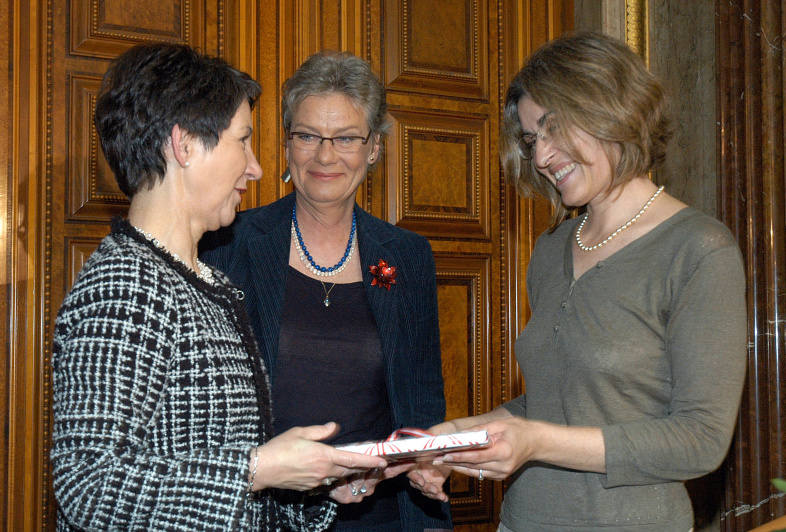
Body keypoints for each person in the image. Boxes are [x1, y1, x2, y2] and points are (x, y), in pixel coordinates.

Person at [413, 32, 748, 531]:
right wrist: (458, 435)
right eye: (532, 140)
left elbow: (700, 440)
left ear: (612, 109)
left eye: (553, 128)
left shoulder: (699, 249)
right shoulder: (551, 249)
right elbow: (556, 405)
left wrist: (535, 441)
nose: (541, 157)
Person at [50, 43, 389, 531]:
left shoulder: (208, 283)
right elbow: (88, 485)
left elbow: (221, 476)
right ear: (185, 144)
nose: (255, 167)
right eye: (242, 141)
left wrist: (313, 483)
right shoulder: (125, 285)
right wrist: (258, 469)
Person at [200, 50, 452, 531]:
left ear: (373, 148)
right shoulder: (226, 244)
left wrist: (424, 460)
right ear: (287, 143)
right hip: (262, 513)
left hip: (379, 513)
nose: (325, 155)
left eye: (346, 138)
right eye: (308, 135)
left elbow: (421, 401)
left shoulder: (407, 256)